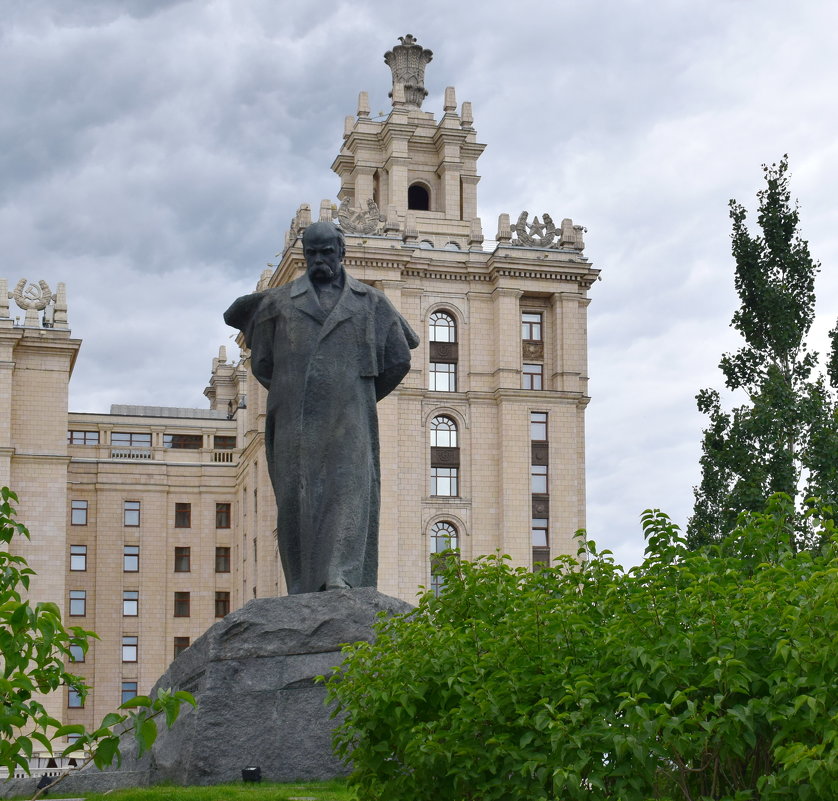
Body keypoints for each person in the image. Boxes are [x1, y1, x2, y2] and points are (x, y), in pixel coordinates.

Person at [224, 222, 419, 594]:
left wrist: (355, 393)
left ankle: (340, 576)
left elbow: (398, 360)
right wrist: (296, 389)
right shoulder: (278, 303)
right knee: (296, 500)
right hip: (294, 419)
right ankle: (301, 585)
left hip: (349, 418)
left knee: (348, 493)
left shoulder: (370, 302)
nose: (318, 259)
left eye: (326, 251)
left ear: (341, 253)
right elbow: (263, 363)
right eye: (311, 252)